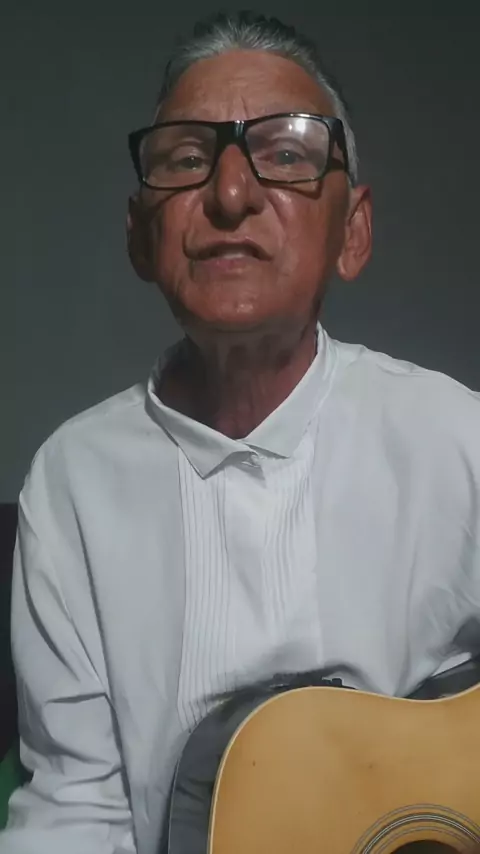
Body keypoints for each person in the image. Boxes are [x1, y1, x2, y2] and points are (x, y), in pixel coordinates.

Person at [2, 9, 480, 854]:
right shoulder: (72, 484)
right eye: (187, 159)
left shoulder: (458, 439)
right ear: (140, 237)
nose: (231, 195)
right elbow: (76, 812)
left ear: (353, 231)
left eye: (286, 154)